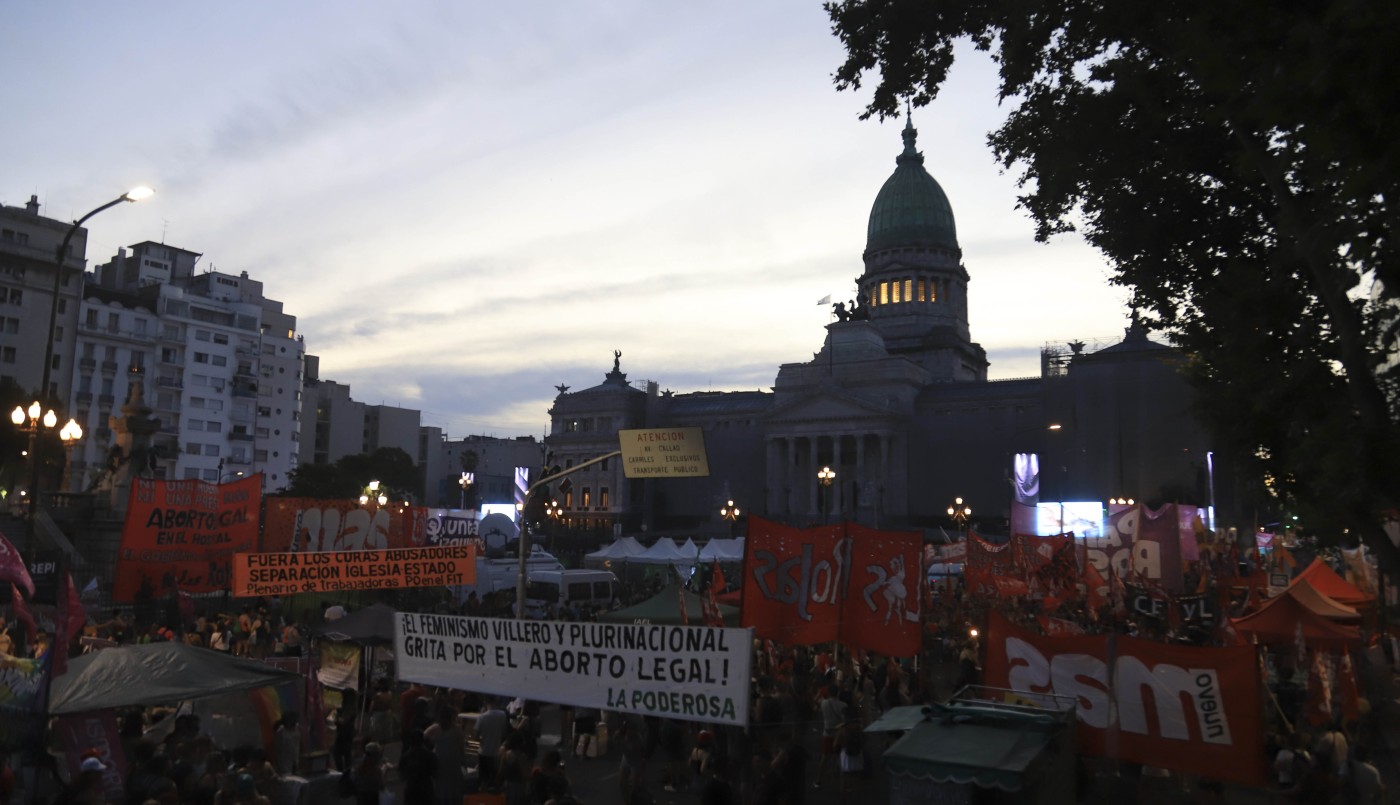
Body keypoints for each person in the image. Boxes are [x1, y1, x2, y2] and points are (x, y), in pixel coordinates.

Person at [423, 705, 466, 805]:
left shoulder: (436, 728)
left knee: (441, 785)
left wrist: (431, 748)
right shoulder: (457, 730)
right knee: (452, 786)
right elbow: (461, 747)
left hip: (439, 759)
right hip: (453, 761)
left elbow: (423, 736)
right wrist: (463, 760)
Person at [475, 699, 509, 788]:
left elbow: (476, 735)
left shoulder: (482, 717)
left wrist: (482, 740)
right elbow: (504, 733)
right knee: (494, 780)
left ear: (485, 703)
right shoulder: (502, 715)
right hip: (496, 753)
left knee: (483, 780)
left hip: (484, 752)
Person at [397, 728, 437, 804]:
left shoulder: (405, 757)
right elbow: (436, 775)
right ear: (423, 741)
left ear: (411, 741)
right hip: (426, 791)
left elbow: (401, 777)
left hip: (411, 792)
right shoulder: (430, 756)